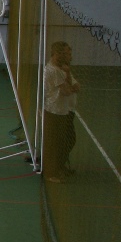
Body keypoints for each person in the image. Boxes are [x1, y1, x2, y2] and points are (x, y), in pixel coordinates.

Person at [42, 40, 79, 183]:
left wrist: (69, 76)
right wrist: (71, 87)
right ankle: (51, 172)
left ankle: (59, 167)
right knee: (54, 142)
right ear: (57, 54)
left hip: (64, 110)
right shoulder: (53, 70)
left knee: (67, 140)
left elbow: (76, 86)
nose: (68, 56)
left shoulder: (63, 69)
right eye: (65, 53)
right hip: (54, 110)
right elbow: (67, 91)